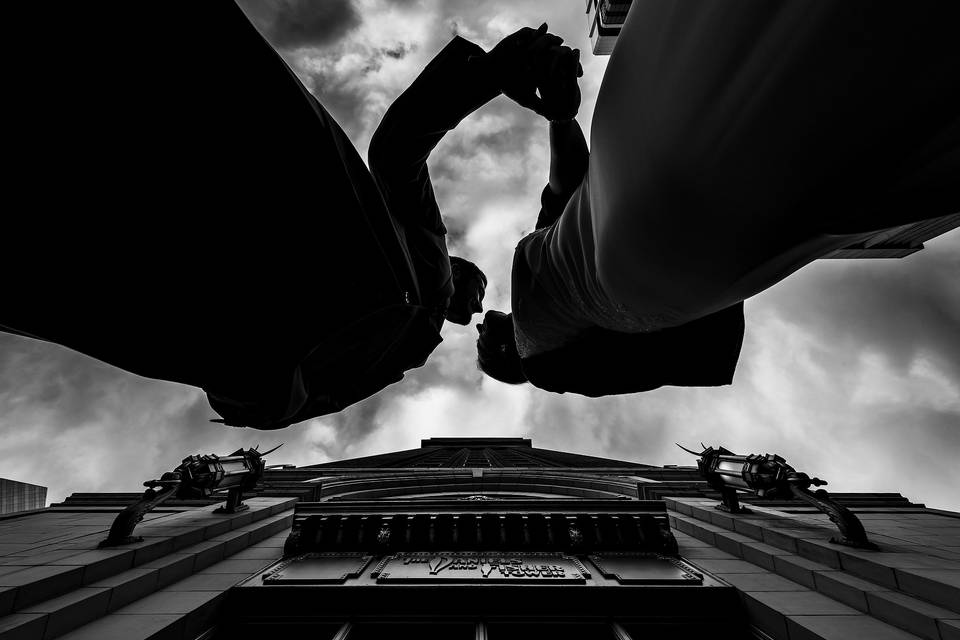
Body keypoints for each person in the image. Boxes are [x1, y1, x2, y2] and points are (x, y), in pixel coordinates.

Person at [0, 2, 561, 429]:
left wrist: (246, 374)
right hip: (247, 192)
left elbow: (285, 402)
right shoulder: (421, 284)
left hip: (189, 297)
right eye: (479, 288)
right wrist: (487, 75)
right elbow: (395, 157)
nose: (479, 307)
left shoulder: (402, 346)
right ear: (454, 271)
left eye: (479, 301)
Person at [478, 1, 959, 395]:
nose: (478, 327)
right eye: (483, 344)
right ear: (506, 357)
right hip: (641, 264)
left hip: (642, 224)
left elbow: (564, 188)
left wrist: (560, 116)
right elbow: (648, 364)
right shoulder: (541, 360)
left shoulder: (542, 270)